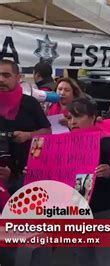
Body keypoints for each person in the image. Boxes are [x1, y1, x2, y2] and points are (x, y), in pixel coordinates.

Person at [0, 59, 52, 266]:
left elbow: (47, 131)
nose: (1, 80)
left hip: (23, 176)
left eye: (6, 75)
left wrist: (27, 135)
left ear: (18, 78)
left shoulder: (29, 104)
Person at [66, 98, 110, 266]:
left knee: (103, 258)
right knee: (83, 257)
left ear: (93, 117)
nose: (73, 122)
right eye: (70, 117)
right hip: (78, 209)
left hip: (105, 208)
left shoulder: (107, 143)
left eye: (78, 117)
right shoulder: (63, 144)